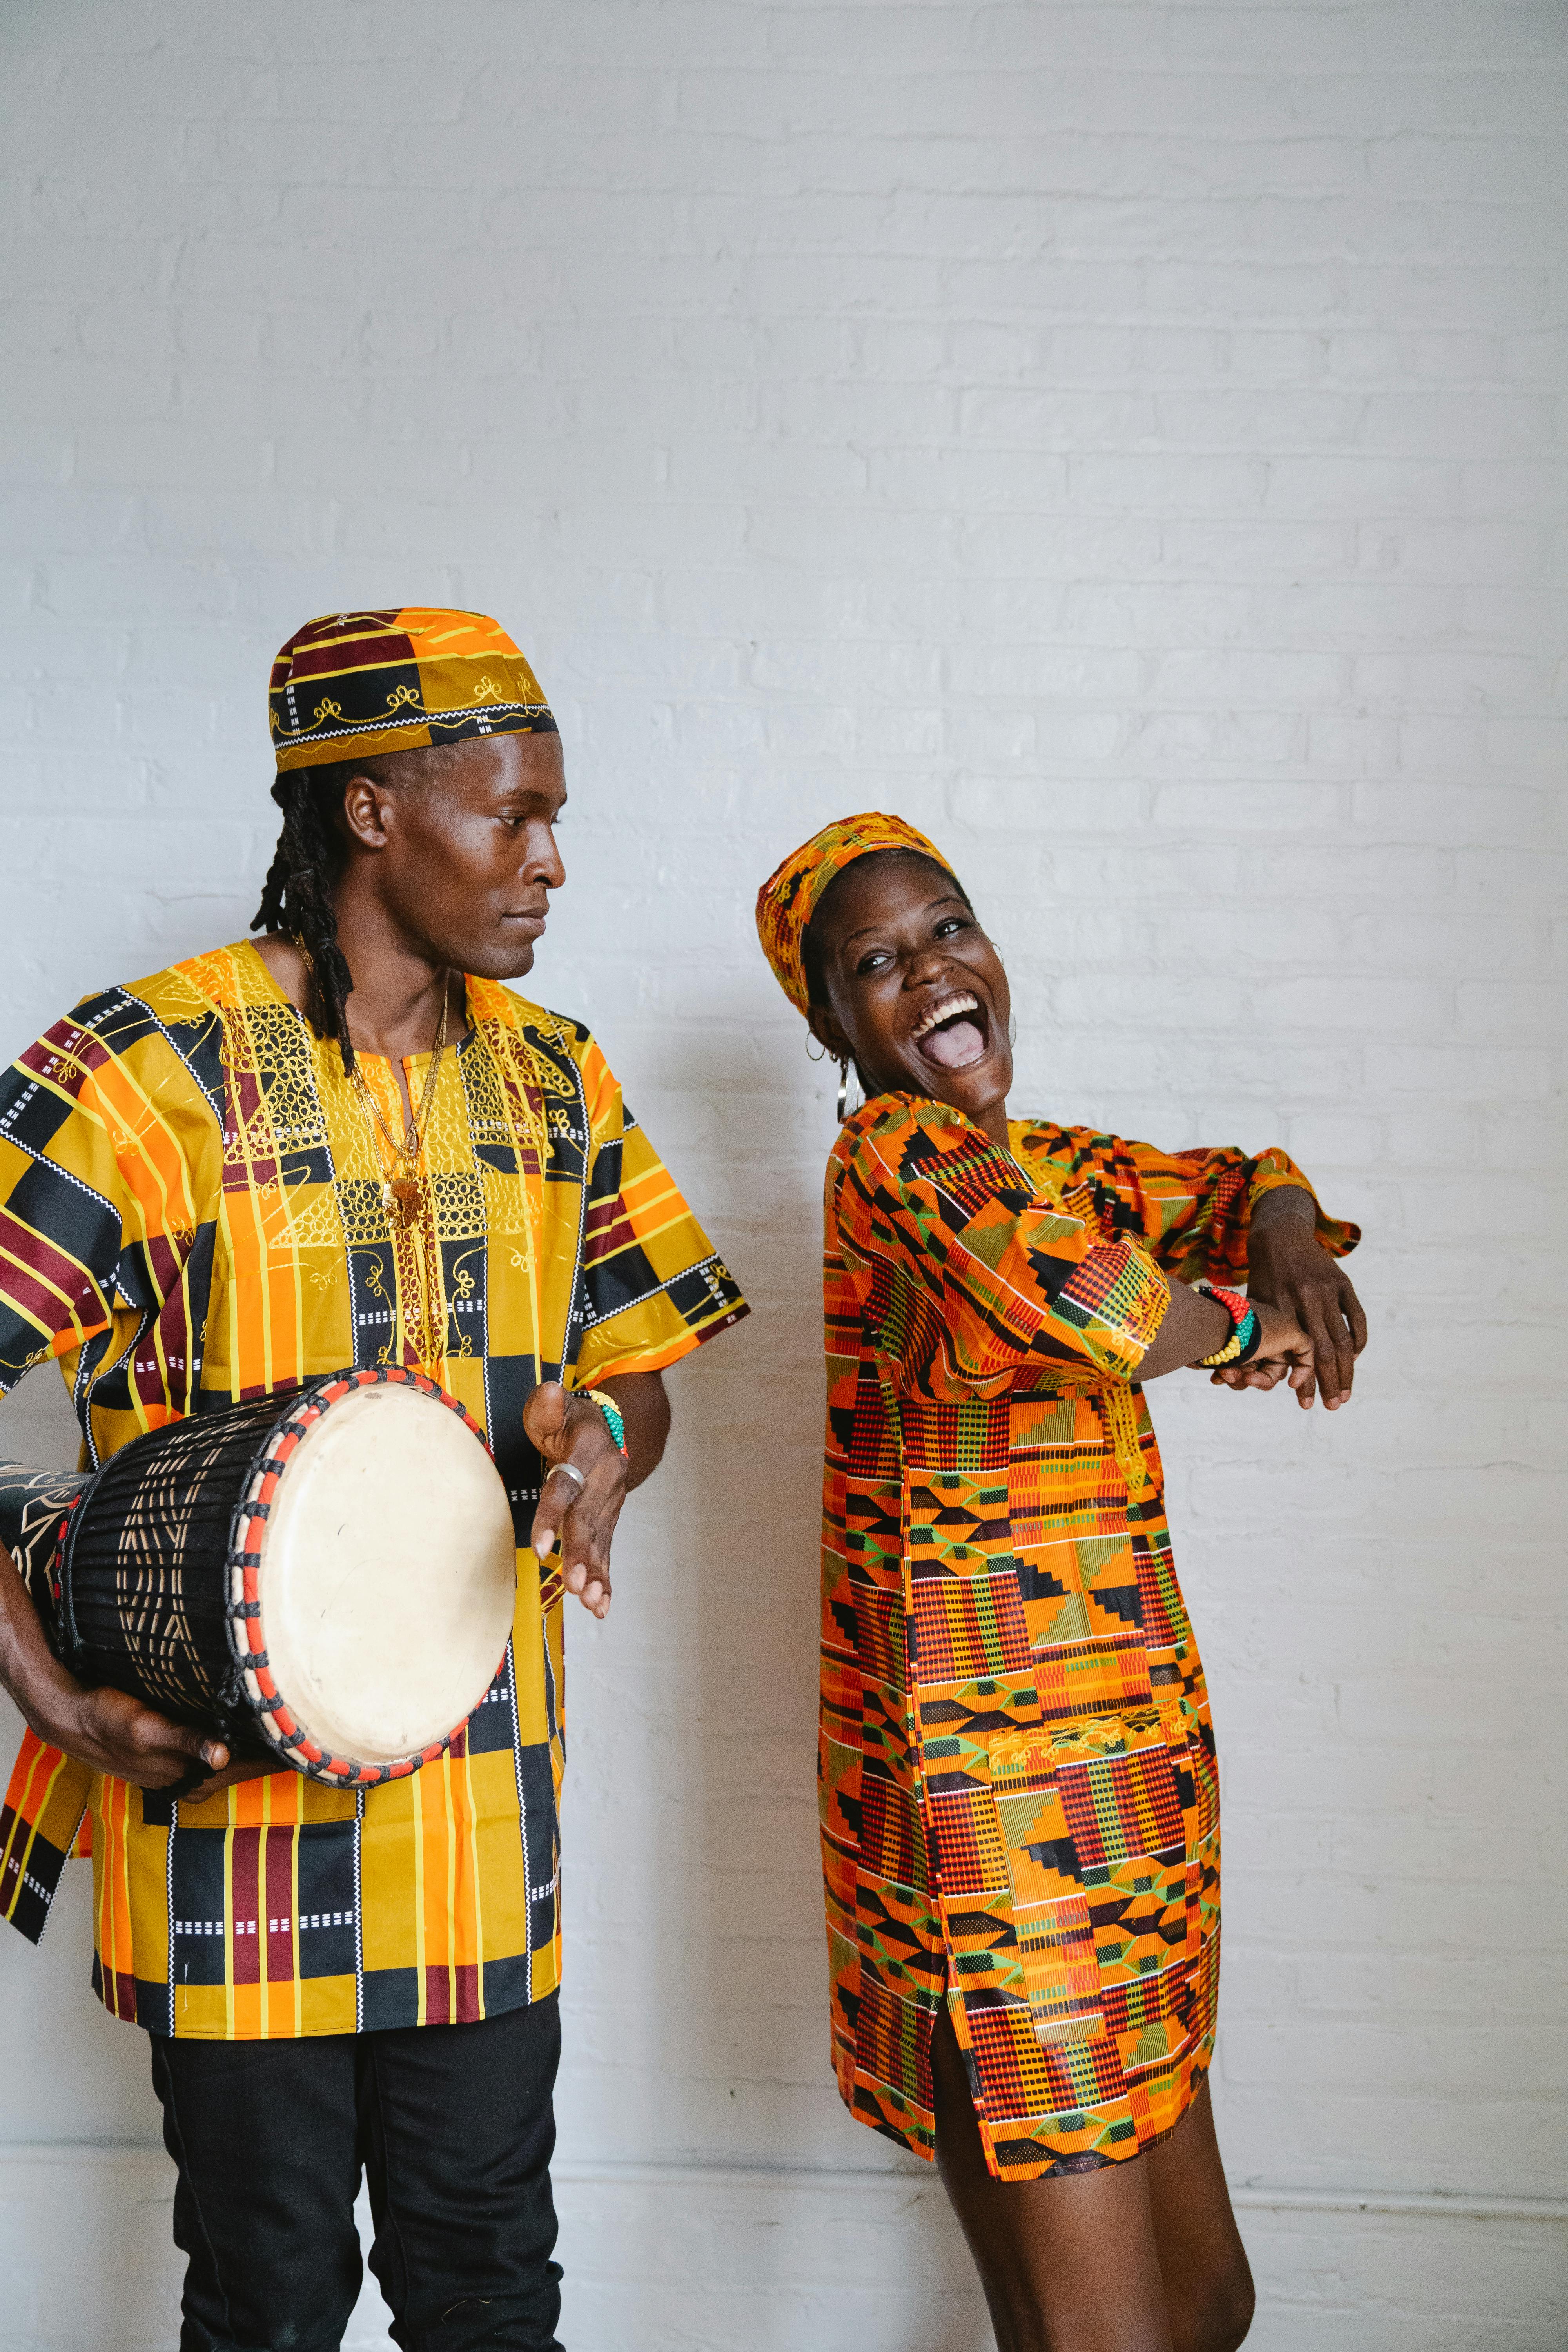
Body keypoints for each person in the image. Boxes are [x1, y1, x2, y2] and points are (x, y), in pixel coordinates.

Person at [0, 607, 747, 2352]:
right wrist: (56, 1704)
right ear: (368, 812)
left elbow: (637, 1362)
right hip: (223, 1809)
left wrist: (605, 1455)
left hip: (483, 1805)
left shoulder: (554, 1081)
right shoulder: (139, 1071)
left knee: (488, 2286)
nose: (551, 862)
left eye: (557, 818)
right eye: (512, 813)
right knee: (266, 2297)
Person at [755, 813, 1365, 2352]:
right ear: (835, 1026)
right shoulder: (899, 1160)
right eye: (874, 965)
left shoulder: (1045, 1161)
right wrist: (1259, 1325)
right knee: (1100, 2338)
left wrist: (1282, 1238)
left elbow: (1236, 1181)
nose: (928, 973)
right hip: (991, 1836)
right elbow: (1099, 1306)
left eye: (946, 929)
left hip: (1127, 1811)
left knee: (1208, 2303)